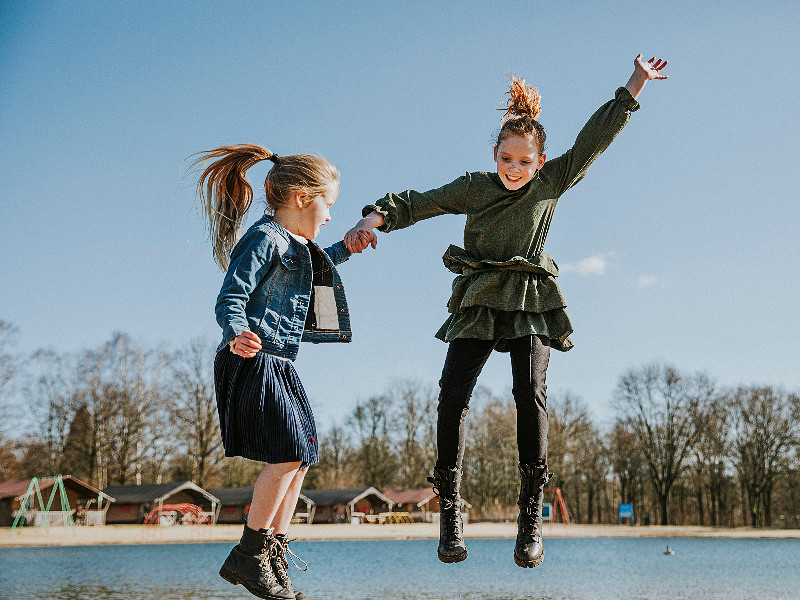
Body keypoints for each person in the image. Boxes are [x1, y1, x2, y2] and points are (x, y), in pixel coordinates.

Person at [345, 54, 669, 568]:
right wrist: (372, 218)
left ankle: (530, 520)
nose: (515, 170)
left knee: (530, 392)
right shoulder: (476, 187)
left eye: (524, 162)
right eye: (507, 160)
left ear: (539, 163)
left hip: (529, 300)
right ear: (495, 154)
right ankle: (450, 514)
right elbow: (419, 201)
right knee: (452, 392)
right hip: (480, 295)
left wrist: (635, 85)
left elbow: (594, 140)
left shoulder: (551, 181)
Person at [191, 144, 370, 600]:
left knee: (303, 455)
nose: (330, 215)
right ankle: (247, 556)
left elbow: (314, 266)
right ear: (302, 198)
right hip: (252, 356)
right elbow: (230, 296)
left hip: (280, 362)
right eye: (329, 204)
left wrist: (347, 247)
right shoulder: (265, 237)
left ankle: (271, 550)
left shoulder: (296, 247)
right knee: (287, 453)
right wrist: (236, 332)